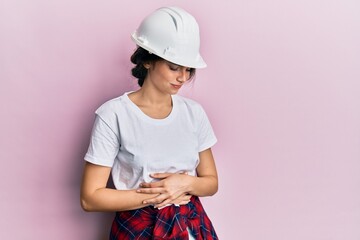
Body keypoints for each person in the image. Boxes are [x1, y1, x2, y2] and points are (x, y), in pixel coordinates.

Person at [80, 6, 219, 239]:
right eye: (174, 67)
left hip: (191, 226)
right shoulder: (114, 114)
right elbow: (90, 197)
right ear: (147, 61)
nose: (183, 78)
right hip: (137, 230)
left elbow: (211, 182)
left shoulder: (194, 113)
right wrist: (161, 194)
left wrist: (184, 183)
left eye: (188, 69)